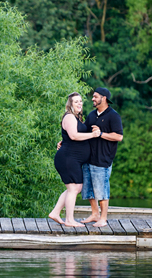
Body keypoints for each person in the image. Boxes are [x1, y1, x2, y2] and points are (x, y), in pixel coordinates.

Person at [49, 92, 101, 227]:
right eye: (76, 101)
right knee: (73, 189)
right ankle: (69, 220)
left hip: (73, 159)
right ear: (70, 104)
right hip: (68, 159)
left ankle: (55, 212)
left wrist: (63, 141)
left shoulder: (76, 118)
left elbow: (69, 136)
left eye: (81, 101)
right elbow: (73, 136)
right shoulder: (70, 117)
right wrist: (93, 134)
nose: (79, 103)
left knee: (76, 188)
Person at [80, 87, 123, 227]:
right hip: (88, 158)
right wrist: (65, 140)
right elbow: (83, 132)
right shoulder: (92, 115)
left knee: (101, 190)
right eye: (93, 96)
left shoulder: (113, 116)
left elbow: (119, 136)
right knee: (89, 189)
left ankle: (103, 219)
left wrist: (101, 134)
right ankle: (94, 214)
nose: (93, 98)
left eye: (95, 96)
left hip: (102, 160)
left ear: (104, 98)